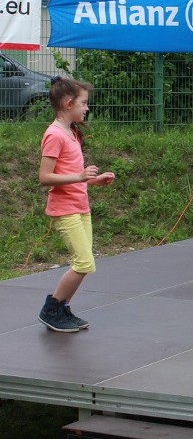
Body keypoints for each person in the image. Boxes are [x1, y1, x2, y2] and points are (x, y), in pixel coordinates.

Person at [37, 76, 116, 332]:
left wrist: (93, 180)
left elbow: (70, 176)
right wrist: (81, 175)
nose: (86, 108)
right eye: (83, 103)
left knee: (83, 263)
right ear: (69, 103)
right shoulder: (54, 135)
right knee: (83, 263)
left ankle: (62, 308)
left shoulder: (71, 133)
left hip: (80, 206)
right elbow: (45, 177)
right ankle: (52, 309)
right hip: (65, 209)